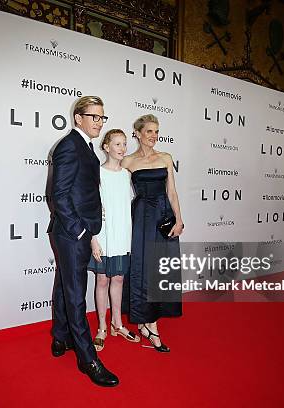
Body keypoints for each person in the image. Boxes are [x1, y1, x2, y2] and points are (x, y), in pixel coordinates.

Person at [48, 96, 119, 387]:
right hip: (71, 232)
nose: (99, 123)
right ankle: (87, 358)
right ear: (78, 118)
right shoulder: (69, 146)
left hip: (75, 230)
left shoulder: (85, 146)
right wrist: (80, 232)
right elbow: (58, 195)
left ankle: (60, 336)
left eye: (103, 118)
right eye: (94, 117)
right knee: (76, 294)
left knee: (64, 283)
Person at [121, 114, 183, 353]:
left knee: (161, 267)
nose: (154, 137)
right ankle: (150, 326)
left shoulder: (165, 157)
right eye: (149, 132)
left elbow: (173, 193)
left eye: (157, 132)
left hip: (164, 217)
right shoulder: (127, 162)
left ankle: (150, 322)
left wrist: (179, 219)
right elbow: (111, 186)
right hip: (141, 218)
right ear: (137, 133)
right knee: (144, 267)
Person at [88, 129, 140, 352]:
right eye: (117, 144)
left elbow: (126, 206)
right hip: (103, 236)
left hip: (121, 237)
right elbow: (91, 209)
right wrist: (93, 240)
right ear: (106, 147)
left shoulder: (127, 175)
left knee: (118, 280)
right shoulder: (97, 174)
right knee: (102, 281)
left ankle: (117, 324)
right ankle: (101, 327)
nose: (122, 148)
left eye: (124, 144)